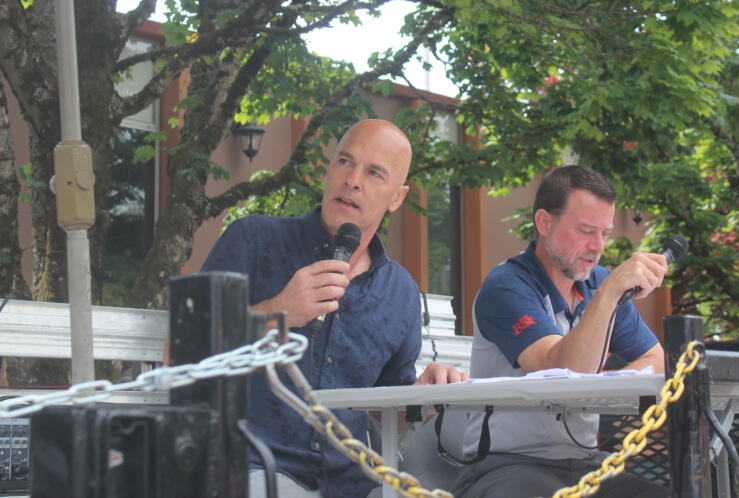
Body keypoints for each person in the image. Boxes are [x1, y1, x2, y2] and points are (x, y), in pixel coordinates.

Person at [201, 119, 467, 498]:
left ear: (397, 197)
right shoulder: (253, 240)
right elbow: (178, 354)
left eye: (374, 173)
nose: (353, 180)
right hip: (253, 467)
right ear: (329, 170)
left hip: (352, 482)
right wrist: (279, 312)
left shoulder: (400, 291)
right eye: (345, 162)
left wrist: (419, 396)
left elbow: (383, 416)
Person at [453, 166, 670, 498]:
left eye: (605, 233)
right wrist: (610, 293)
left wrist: (610, 389)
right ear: (544, 223)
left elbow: (655, 357)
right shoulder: (507, 285)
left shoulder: (599, 283)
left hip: (585, 463)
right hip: (506, 463)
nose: (597, 247)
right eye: (585, 230)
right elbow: (560, 372)